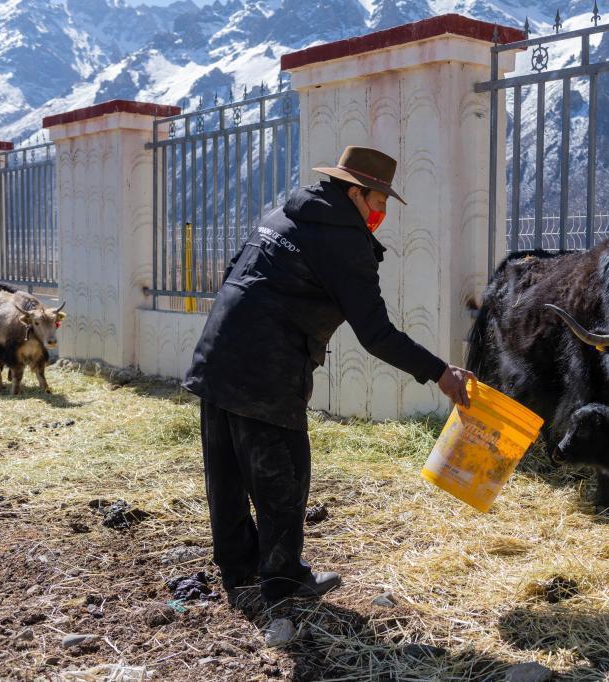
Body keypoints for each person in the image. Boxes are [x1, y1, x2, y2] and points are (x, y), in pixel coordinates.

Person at [183, 146, 474, 605]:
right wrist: (440, 373)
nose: (381, 214)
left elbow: (233, 272)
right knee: (285, 470)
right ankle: (283, 584)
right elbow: (375, 333)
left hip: (216, 351)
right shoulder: (343, 239)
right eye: (379, 203)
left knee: (226, 472)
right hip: (267, 367)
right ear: (357, 194)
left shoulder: (283, 213)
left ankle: (239, 573)